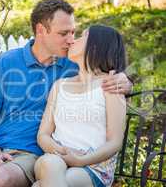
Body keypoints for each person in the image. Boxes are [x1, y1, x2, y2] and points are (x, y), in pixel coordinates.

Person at [0, 0, 132, 187]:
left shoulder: (73, 65)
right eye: (63, 33)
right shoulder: (7, 62)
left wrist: (125, 81)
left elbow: (101, 70)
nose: (71, 40)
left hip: (31, 153)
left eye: (74, 33)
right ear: (41, 31)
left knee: (0, 180)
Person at [33, 25, 127, 187]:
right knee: (50, 164)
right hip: (55, 158)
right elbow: (43, 135)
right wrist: (63, 152)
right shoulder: (59, 86)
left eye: (82, 36)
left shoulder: (111, 86)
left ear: (96, 46)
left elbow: (115, 142)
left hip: (94, 167)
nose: (73, 40)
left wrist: (80, 160)